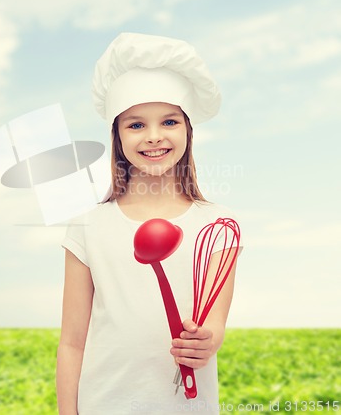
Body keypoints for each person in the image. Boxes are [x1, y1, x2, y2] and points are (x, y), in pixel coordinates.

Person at [56, 33, 243, 414]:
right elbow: (73, 342)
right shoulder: (87, 227)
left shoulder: (217, 226)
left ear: (188, 131)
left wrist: (207, 341)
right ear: (117, 136)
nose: (154, 136)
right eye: (136, 125)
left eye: (169, 121)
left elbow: (215, 325)